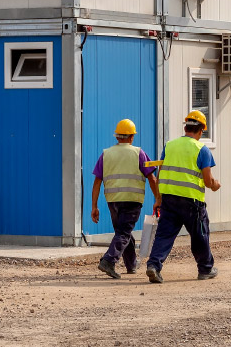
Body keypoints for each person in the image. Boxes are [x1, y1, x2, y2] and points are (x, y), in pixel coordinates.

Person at [146, 110, 220, 283]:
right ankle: (205, 269)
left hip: (169, 199)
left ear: (186, 127)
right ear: (201, 130)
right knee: (200, 235)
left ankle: (153, 266)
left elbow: (161, 173)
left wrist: (158, 199)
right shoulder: (202, 150)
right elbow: (208, 181)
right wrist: (215, 185)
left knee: (164, 235)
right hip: (192, 202)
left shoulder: (170, 145)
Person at [91, 118, 161, 279]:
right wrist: (158, 198)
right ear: (131, 137)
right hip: (132, 199)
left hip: (113, 200)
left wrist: (94, 206)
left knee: (122, 231)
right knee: (123, 232)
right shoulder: (139, 153)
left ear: (117, 137)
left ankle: (131, 265)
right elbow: (152, 179)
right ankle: (108, 260)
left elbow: (97, 182)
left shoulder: (106, 154)